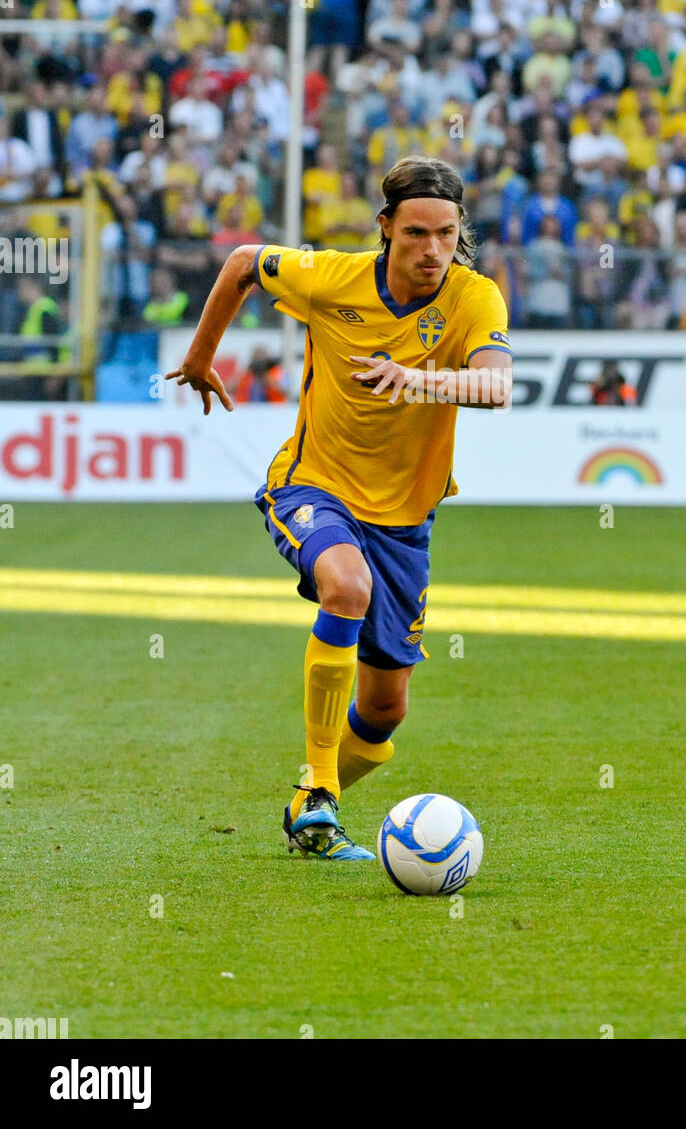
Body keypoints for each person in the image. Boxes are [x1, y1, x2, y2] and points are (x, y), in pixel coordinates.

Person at [166, 157, 512, 862]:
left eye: (446, 234)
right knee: (345, 587)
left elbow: (496, 386)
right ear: (385, 229)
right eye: (416, 233)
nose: (432, 250)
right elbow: (240, 264)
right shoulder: (332, 278)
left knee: (386, 712)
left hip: (404, 519)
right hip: (311, 484)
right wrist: (202, 358)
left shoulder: (476, 298)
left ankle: (306, 808)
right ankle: (320, 787)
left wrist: (414, 380)